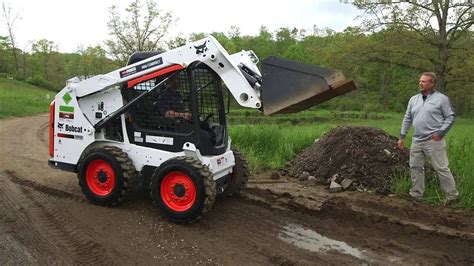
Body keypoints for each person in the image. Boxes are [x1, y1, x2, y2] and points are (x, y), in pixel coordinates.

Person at [398, 72, 458, 204]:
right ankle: (416, 194)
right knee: (415, 167)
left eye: (424, 81)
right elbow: (407, 118)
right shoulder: (414, 99)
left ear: (432, 83)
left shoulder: (441, 99)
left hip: (434, 140)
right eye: (420, 81)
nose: (420, 83)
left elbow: (450, 116)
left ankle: (452, 197)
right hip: (417, 140)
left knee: (441, 168)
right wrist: (402, 136)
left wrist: (441, 133)